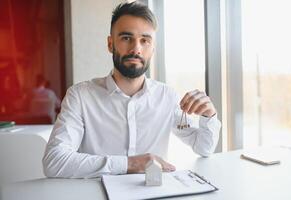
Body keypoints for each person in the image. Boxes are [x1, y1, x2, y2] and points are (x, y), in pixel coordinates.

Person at [42, 2, 221, 178]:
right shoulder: (80, 96)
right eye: (126, 38)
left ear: (152, 49)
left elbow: (203, 148)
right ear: (110, 44)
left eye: (145, 40)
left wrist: (209, 116)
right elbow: (54, 162)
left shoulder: (167, 96)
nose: (136, 48)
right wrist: (130, 164)